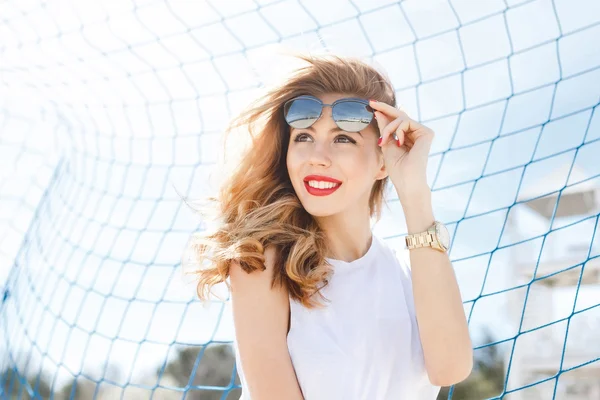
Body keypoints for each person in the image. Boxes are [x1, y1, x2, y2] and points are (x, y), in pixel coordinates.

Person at [187, 54, 473, 400]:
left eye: (343, 139)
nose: (317, 156)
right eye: (303, 138)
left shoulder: (414, 272)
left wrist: (414, 193)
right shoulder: (260, 263)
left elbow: (451, 368)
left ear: (382, 161)